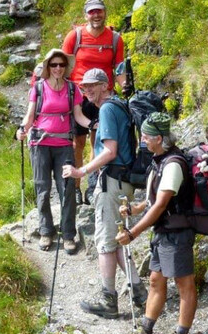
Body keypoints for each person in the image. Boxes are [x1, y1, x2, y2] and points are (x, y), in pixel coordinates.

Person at [62, 68, 147, 318]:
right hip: (122, 181)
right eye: (84, 86)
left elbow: (110, 150)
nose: (86, 90)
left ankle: (108, 300)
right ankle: (139, 291)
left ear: (104, 85)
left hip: (111, 181)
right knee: (115, 240)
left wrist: (82, 171)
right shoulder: (118, 106)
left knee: (105, 244)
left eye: (92, 85)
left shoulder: (108, 109)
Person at [113, 112, 197, 334]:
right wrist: (135, 209)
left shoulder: (172, 165)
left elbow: (161, 206)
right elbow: (153, 201)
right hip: (164, 233)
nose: (143, 140)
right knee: (155, 281)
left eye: (146, 136)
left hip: (177, 233)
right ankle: (146, 332)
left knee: (185, 284)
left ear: (160, 138)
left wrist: (133, 232)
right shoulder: (159, 161)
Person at [16, 49, 91, 254]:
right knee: (43, 189)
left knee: (66, 188)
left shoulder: (72, 89)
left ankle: (68, 235)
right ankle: (46, 231)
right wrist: (22, 129)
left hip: (64, 145)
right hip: (39, 145)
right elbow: (30, 116)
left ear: (66, 67)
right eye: (53, 65)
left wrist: (94, 124)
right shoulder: (38, 88)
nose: (58, 68)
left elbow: (78, 116)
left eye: (61, 64)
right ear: (48, 67)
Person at [62, 0, 127, 206]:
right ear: (86, 15)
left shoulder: (115, 39)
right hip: (78, 95)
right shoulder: (75, 36)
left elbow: (119, 68)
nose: (96, 16)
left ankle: (93, 186)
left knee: (98, 141)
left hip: (102, 96)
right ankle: (75, 188)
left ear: (105, 13)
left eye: (99, 12)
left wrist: (124, 87)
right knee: (76, 144)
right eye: (92, 12)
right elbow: (62, 65)